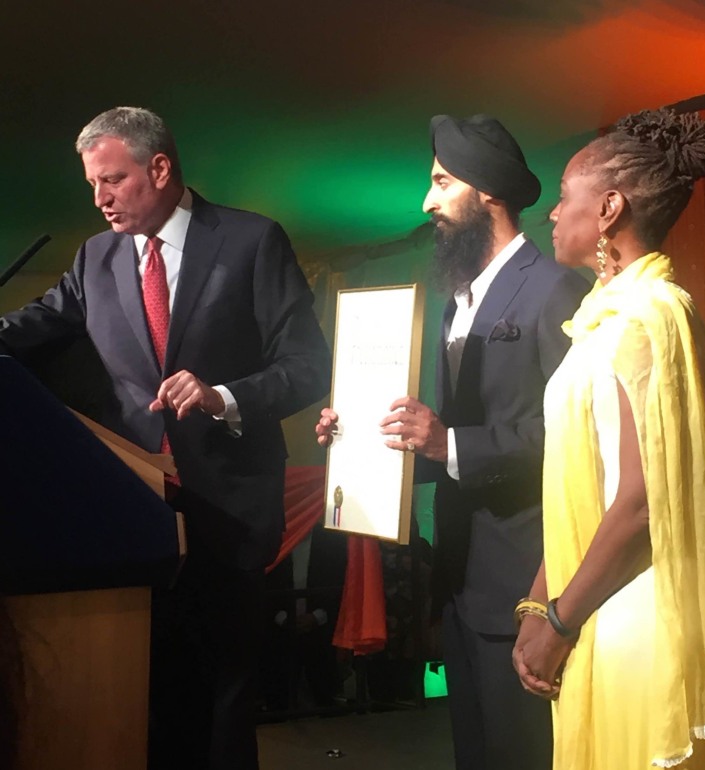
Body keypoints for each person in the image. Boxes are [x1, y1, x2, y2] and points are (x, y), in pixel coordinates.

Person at [0, 106, 331, 770]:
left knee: (224, 693)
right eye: (93, 184)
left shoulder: (250, 241)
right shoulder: (95, 257)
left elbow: (308, 367)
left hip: (230, 507)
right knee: (156, 693)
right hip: (134, 512)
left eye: (113, 180)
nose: (99, 199)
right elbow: (34, 326)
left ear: (159, 167)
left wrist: (225, 396)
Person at [317, 114, 590, 769]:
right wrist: (373, 439)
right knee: (476, 753)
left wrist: (448, 443)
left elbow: (579, 438)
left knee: (524, 753)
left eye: (442, 182)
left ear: (488, 192)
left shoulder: (556, 288)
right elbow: (453, 440)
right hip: (461, 578)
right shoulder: (455, 302)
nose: (427, 201)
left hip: (528, 577)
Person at [513, 108, 705, 770]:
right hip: (597, 604)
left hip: (632, 614)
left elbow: (641, 501)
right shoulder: (607, 319)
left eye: (564, 198)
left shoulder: (650, 316)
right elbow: (581, 489)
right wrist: (540, 604)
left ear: (610, 208)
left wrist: (556, 623)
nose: (554, 215)